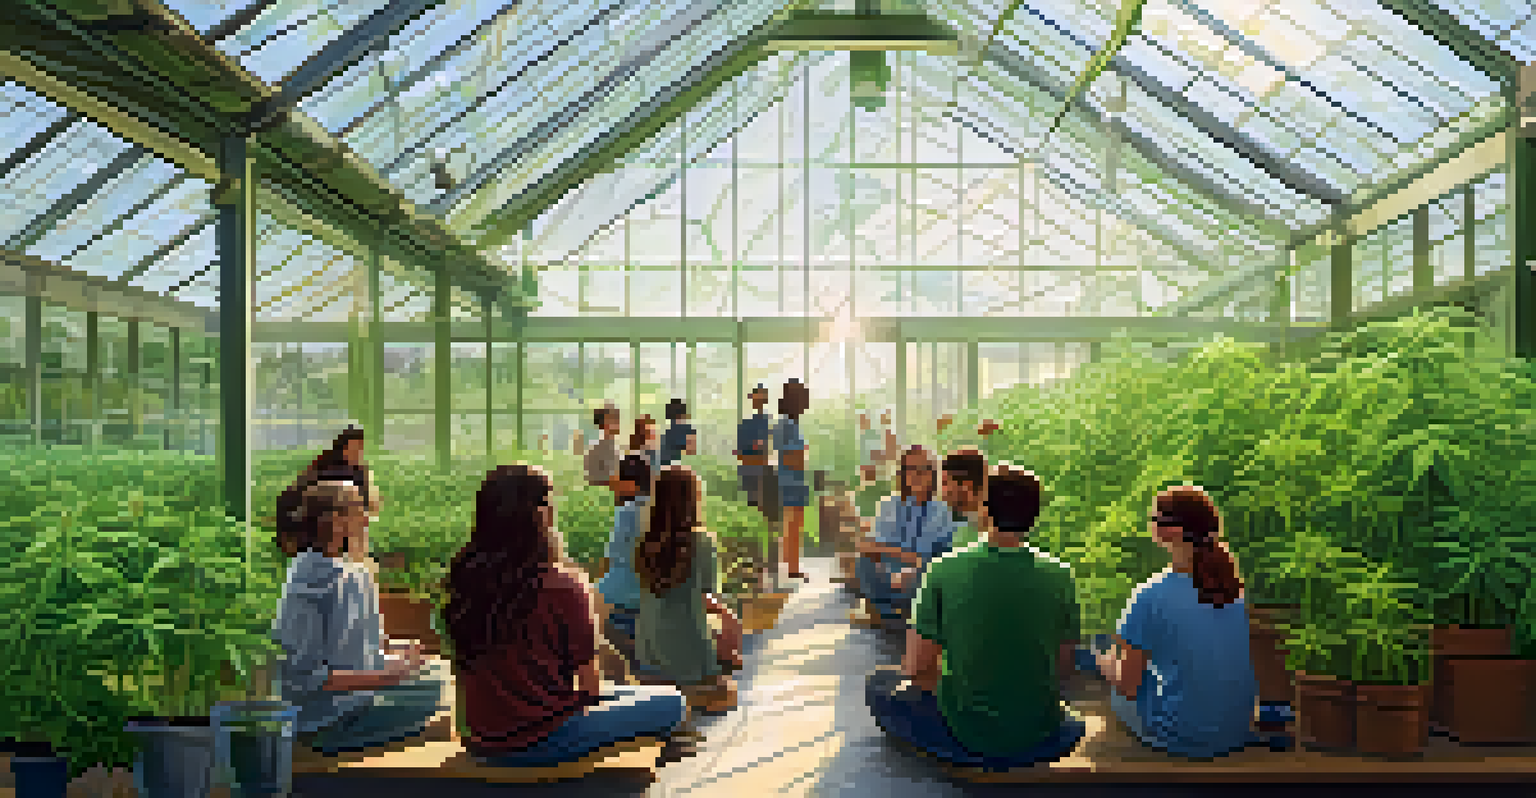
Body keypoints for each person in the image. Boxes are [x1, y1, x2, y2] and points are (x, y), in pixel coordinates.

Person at [446, 464, 687, 766]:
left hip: (483, 739)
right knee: (670, 702)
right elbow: (589, 688)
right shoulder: (561, 584)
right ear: (543, 514)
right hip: (543, 740)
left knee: (629, 694)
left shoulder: (465, 580)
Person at [866, 464, 1086, 769]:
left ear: (985, 508)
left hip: (970, 732)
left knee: (879, 684)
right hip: (1041, 730)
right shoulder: (1061, 576)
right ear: (1034, 516)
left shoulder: (944, 568)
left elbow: (915, 668)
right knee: (1071, 723)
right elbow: (1063, 668)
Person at [272, 477, 449, 755]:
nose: (367, 517)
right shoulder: (312, 584)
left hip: (356, 696)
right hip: (329, 717)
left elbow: (354, 642)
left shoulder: (346, 571)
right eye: (358, 508)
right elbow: (306, 678)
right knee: (438, 691)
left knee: (437, 673)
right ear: (334, 520)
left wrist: (396, 650)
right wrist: (388, 676)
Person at [1084, 485, 1258, 759]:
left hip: (1184, 737)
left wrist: (1105, 665)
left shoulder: (1150, 595)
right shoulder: (1232, 589)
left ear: (1172, 532)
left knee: (1117, 695)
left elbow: (1128, 686)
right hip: (1236, 730)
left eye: (1154, 519)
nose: (1150, 525)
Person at [633, 465, 745, 687]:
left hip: (647, 654)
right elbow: (706, 598)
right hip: (692, 657)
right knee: (730, 641)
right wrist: (729, 618)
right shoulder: (701, 542)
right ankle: (716, 676)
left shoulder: (643, 542)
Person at [855, 446, 955, 627]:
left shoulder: (944, 509)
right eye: (910, 469)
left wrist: (904, 560)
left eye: (922, 469)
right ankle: (892, 611)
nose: (916, 475)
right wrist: (898, 561)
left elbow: (929, 556)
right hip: (890, 575)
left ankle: (888, 612)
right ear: (903, 473)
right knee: (864, 562)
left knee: (927, 572)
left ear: (932, 473)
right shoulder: (889, 504)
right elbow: (869, 546)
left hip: (921, 576)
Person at [594, 454, 654, 667]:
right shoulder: (657, 509)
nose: (612, 484)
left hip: (624, 588)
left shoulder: (628, 512)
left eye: (616, 479)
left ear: (632, 484)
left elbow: (611, 557)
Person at [774, 378, 812, 581]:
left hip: (794, 480)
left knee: (793, 524)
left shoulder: (789, 424)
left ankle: (791, 566)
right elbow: (787, 455)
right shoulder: (786, 425)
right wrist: (801, 456)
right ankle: (792, 567)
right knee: (792, 525)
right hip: (790, 481)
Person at [940, 448, 987, 549]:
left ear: (966, 486)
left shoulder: (974, 532)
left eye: (944, 483)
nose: (941, 490)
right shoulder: (950, 521)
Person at [735, 385, 773, 510]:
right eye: (756, 399)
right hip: (751, 469)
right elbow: (740, 452)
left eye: (761, 399)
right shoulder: (746, 424)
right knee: (753, 502)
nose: (758, 402)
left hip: (763, 469)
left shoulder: (768, 422)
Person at [585, 403, 623, 491]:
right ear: (604, 422)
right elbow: (607, 480)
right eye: (613, 418)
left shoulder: (615, 446)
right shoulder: (597, 448)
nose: (617, 422)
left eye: (617, 418)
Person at [657, 399, 697, 467]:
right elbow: (691, 450)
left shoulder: (667, 432)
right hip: (673, 465)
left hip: (664, 464)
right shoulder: (688, 430)